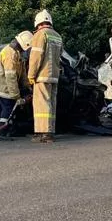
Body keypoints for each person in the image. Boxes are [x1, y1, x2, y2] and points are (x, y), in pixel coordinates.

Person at [0, 30, 33, 140]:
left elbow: (23, 74)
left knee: (11, 107)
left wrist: (28, 87)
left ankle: (10, 129)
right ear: (24, 44)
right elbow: (11, 78)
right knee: (8, 107)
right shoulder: (10, 55)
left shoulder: (17, 53)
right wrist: (17, 97)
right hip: (0, 85)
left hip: (4, 84)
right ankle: (2, 131)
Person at [26, 9, 63, 143]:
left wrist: (31, 75)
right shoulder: (57, 36)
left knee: (41, 105)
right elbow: (60, 56)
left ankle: (43, 133)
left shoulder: (40, 35)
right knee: (51, 104)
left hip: (42, 76)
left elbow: (36, 57)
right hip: (54, 75)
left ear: (38, 23)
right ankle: (49, 131)